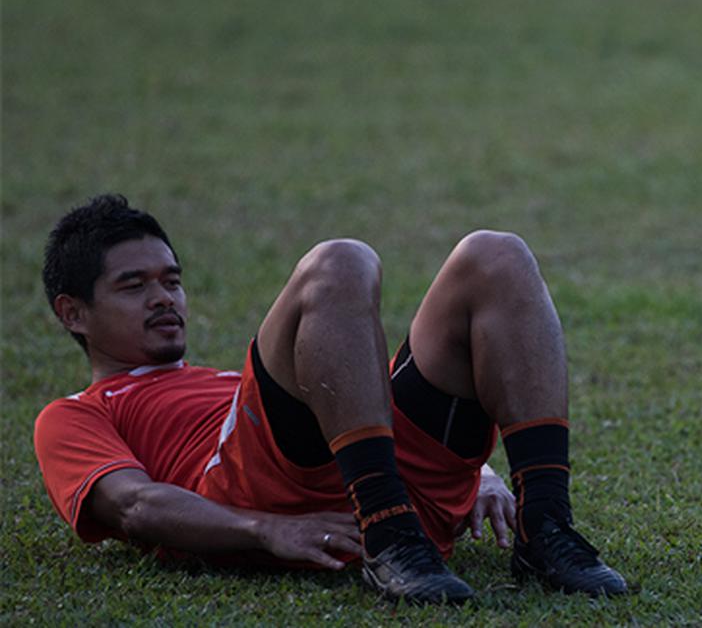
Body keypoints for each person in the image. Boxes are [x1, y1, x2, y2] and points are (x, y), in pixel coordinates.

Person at [34, 194, 628, 605]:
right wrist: (263, 529)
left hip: (391, 483)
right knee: (339, 262)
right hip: (273, 491)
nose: (163, 298)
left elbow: (358, 395)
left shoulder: (220, 383)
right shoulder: (75, 413)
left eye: (171, 279)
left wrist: (484, 473)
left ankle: (545, 526)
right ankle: (388, 536)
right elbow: (133, 505)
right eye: (133, 286)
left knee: (496, 253)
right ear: (73, 312)